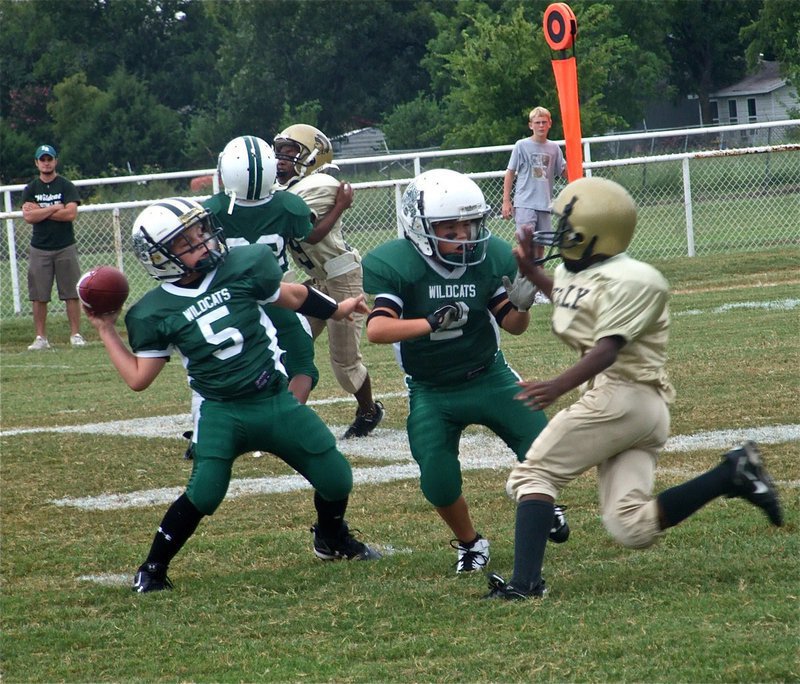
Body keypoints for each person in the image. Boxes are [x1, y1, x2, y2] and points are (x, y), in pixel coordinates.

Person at [485, 177, 784, 600]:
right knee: (631, 526)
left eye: (565, 227)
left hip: (621, 397)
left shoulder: (635, 279)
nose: (557, 235)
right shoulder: (597, 271)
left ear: (594, 233)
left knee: (534, 475)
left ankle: (525, 585)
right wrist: (534, 274)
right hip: (641, 408)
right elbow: (580, 303)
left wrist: (557, 386)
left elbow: (608, 349)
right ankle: (731, 474)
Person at [84, 197, 381, 593]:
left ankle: (330, 537)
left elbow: (292, 296)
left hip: (273, 399)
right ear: (161, 257)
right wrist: (106, 329)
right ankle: (153, 568)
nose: (203, 243)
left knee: (336, 477)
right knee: (205, 492)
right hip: (222, 411)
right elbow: (139, 378)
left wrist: (339, 309)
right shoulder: (153, 313)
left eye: (201, 231)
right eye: (187, 241)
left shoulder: (242, 267)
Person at [362, 168, 568, 574]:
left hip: (488, 375)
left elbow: (512, 325)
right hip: (433, 390)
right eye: (450, 229)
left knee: (543, 449)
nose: (462, 237)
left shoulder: (487, 257)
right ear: (419, 228)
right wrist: (431, 323)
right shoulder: (398, 264)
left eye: (469, 226)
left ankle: (543, 505)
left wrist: (522, 305)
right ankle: (471, 543)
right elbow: (377, 329)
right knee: (436, 479)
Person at [274, 124, 384, 439]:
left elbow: (308, 234)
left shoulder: (320, 184)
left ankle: (369, 411)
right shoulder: (287, 189)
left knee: (345, 363)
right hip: (318, 278)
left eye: (290, 151)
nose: (281, 158)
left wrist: (338, 207)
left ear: (312, 155)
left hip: (342, 277)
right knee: (289, 346)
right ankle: (279, 412)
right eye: (279, 151)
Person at [203, 135, 319, 405]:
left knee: (221, 372)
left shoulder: (212, 210)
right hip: (276, 297)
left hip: (229, 303)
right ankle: (288, 421)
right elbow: (306, 234)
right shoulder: (289, 206)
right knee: (302, 368)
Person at [22, 144, 86, 349]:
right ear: (37, 163)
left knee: (71, 292)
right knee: (39, 295)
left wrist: (42, 210)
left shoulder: (66, 186)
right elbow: (29, 216)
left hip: (65, 246)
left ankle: (75, 334)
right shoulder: (31, 188)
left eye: (50, 159)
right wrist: (54, 207)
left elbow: (70, 214)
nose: (46, 163)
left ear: (55, 161)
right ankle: (41, 338)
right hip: (40, 248)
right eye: (43, 160)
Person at [502, 106, 566, 302]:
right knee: (525, 246)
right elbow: (510, 172)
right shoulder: (521, 146)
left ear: (550, 124)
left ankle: (538, 290)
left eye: (544, 122)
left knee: (540, 248)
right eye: (537, 122)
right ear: (531, 125)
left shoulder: (554, 148)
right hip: (525, 203)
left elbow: (562, 171)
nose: (540, 125)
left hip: (544, 204)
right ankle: (519, 283)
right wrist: (506, 200)